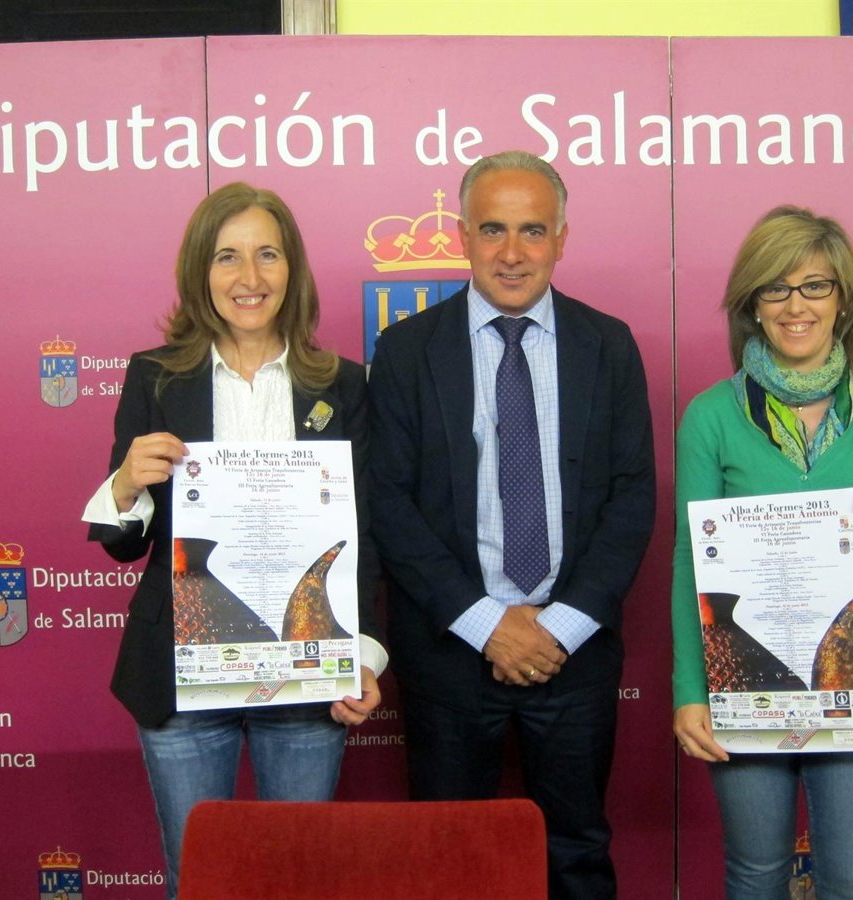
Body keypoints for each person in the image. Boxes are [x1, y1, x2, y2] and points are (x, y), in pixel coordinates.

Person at [81, 182, 385, 900]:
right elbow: (121, 545)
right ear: (200, 271)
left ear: (292, 269)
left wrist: (365, 655)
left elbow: (365, 534)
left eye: (267, 255)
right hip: (181, 675)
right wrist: (125, 483)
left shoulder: (344, 386)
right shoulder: (156, 378)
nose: (250, 277)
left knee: (299, 881)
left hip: (307, 669)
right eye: (228, 257)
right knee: (199, 881)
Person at [368, 150, 655, 900]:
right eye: (493, 229)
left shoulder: (609, 345)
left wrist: (557, 628)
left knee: (576, 855)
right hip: (450, 649)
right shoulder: (405, 351)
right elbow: (389, 504)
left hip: (574, 651)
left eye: (533, 230)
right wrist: (487, 625)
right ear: (463, 235)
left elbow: (632, 498)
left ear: (561, 238)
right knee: (448, 861)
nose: (512, 252)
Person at [671, 205, 853, 899]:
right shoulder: (711, 415)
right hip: (744, 680)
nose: (796, 306)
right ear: (752, 305)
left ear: (843, 299)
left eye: (815, 286)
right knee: (756, 873)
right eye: (776, 288)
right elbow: (690, 562)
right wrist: (690, 692)